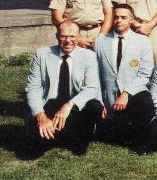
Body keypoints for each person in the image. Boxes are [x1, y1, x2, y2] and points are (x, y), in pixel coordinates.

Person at [24, 21, 103, 157]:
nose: (68, 41)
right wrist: (40, 116)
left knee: (94, 106)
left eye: (72, 36)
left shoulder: (89, 56)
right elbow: (32, 88)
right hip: (49, 103)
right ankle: (54, 135)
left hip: (74, 106)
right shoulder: (42, 54)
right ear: (57, 36)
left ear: (79, 37)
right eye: (63, 36)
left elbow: (91, 88)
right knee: (33, 151)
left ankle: (77, 139)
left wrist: (69, 105)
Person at [93, 4, 155, 152]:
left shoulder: (142, 41)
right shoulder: (100, 42)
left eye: (123, 17)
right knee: (113, 133)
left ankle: (140, 142)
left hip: (132, 93)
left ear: (131, 20)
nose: (118, 20)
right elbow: (94, 75)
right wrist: (100, 100)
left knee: (145, 102)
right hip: (109, 98)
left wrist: (126, 93)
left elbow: (145, 73)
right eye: (116, 17)